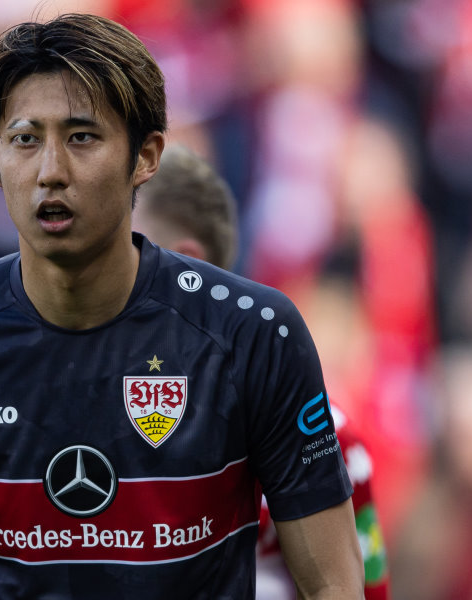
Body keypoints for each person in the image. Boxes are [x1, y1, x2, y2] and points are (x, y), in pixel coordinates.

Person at [0, 13, 363, 599]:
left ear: (146, 156)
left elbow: (333, 585)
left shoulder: (254, 333)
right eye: (25, 140)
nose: (51, 171)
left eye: (82, 137)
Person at [134, 144, 389, 599]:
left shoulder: (324, 436)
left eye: (118, 249)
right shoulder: (58, 407)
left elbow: (364, 590)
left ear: (183, 261)